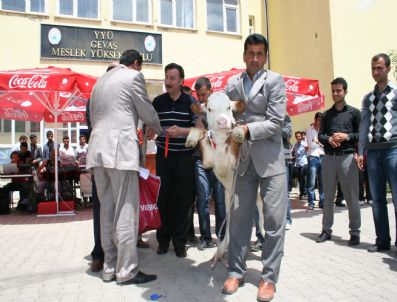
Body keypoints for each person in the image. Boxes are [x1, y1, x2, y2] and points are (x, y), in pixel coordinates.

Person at [86, 49, 161, 284]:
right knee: (126, 212)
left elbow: (92, 115)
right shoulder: (133, 76)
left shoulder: (99, 82)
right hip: (120, 152)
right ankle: (126, 270)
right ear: (136, 64)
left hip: (97, 152)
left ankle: (109, 267)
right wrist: (157, 127)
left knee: (106, 210)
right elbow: (146, 109)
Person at [222, 33, 287, 302]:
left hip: (270, 159)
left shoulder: (275, 81)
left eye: (260, 53)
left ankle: (269, 278)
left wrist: (247, 128)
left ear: (266, 56)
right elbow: (224, 113)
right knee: (239, 219)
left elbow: (276, 122)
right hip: (242, 161)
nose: (255, 59)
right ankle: (235, 271)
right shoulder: (232, 84)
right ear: (244, 55)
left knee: (273, 222)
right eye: (251, 53)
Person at [153, 63, 197, 258]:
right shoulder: (157, 102)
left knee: (183, 201)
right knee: (163, 200)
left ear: (180, 81)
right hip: (163, 156)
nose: (168, 81)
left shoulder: (191, 101)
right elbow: (151, 125)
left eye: (172, 78)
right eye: (166, 77)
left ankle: (180, 243)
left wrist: (181, 131)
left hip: (185, 157)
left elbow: (200, 130)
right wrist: (149, 130)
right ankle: (163, 241)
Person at [358, 53, 397, 254]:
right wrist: (360, 151)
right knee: (377, 200)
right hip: (373, 153)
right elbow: (364, 126)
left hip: (393, 149)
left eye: (379, 68)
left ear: (388, 69)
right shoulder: (368, 98)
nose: (375, 72)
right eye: (373, 68)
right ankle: (382, 241)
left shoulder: (396, 93)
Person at [316, 77, 361, 246]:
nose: (335, 93)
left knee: (351, 197)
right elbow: (320, 135)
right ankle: (326, 231)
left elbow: (360, 135)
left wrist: (346, 136)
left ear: (345, 91)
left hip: (347, 158)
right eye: (333, 90)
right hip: (328, 159)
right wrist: (329, 140)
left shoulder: (355, 113)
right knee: (328, 197)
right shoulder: (326, 115)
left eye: (338, 90)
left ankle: (355, 233)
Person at [193, 77, 226, 250]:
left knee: (220, 200)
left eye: (204, 94)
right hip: (200, 159)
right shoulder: (195, 109)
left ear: (211, 91)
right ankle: (205, 237)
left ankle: (222, 237)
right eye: (198, 95)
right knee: (202, 198)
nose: (201, 98)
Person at [306, 112, 325, 210]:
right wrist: (320, 143)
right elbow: (310, 144)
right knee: (312, 182)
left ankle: (322, 202)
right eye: (318, 120)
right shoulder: (309, 129)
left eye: (321, 121)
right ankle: (311, 203)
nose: (320, 122)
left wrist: (318, 142)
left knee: (323, 182)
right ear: (315, 119)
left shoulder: (324, 130)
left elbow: (326, 144)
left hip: (323, 156)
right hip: (313, 157)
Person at [282, 115, 293, 230]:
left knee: (284, 191)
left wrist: (274, 127)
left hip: (282, 157)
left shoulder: (285, 117)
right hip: (268, 158)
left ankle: (287, 219)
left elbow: (288, 132)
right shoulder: (264, 116)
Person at [292, 131, 308, 200]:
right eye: (297, 136)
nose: (298, 137)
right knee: (299, 179)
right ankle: (302, 192)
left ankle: (303, 193)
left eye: (299, 136)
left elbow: (308, 152)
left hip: (304, 163)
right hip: (297, 164)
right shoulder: (295, 145)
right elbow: (294, 154)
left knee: (302, 179)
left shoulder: (305, 144)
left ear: (301, 137)